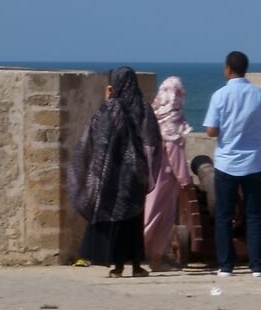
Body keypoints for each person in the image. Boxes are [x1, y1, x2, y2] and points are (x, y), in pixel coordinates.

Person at [66, 67, 162, 276]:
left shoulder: (111, 108)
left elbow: (97, 137)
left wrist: (108, 100)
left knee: (115, 217)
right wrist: (148, 170)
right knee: (134, 219)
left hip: (112, 173)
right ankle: (136, 265)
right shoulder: (143, 107)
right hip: (136, 174)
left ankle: (118, 267)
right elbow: (152, 141)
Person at [202, 51, 261, 277]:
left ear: (228, 69)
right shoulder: (259, 95)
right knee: (254, 215)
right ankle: (257, 265)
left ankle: (226, 265)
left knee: (223, 216)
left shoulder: (220, 96)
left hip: (227, 163)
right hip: (253, 162)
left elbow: (211, 131)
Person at [144, 76, 194, 265]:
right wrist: (185, 180)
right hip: (166, 177)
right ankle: (154, 259)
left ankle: (146, 256)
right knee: (161, 217)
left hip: (150, 173)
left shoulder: (153, 115)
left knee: (149, 213)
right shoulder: (173, 119)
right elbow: (175, 153)